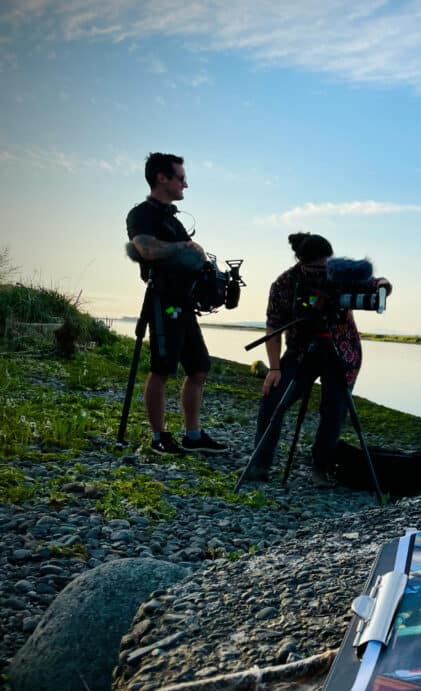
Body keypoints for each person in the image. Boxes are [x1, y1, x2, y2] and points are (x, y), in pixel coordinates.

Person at [246, 232, 392, 487]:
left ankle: (321, 469)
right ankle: (259, 465)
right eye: (315, 267)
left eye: (325, 264)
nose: (321, 272)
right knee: (273, 400)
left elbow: (379, 282)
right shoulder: (284, 283)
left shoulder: (341, 273)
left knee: (335, 410)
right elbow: (273, 327)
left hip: (341, 351)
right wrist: (274, 368)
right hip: (301, 352)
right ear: (300, 261)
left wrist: (383, 287)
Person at [125, 152, 228, 455]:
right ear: (162, 178)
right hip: (163, 301)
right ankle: (159, 437)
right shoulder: (141, 214)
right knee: (162, 368)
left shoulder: (173, 219)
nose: (186, 184)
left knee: (199, 368)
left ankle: (193, 435)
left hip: (184, 303)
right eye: (181, 178)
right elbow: (144, 248)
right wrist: (184, 246)